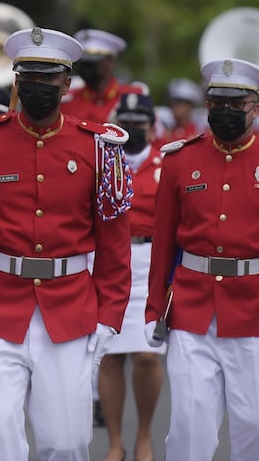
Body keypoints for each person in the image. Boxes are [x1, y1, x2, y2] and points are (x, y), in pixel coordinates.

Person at [0, 27, 132, 461]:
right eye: (29, 76)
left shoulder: (98, 148)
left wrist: (110, 316)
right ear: (16, 80)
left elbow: (114, 245)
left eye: (49, 78)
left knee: (65, 443)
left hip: (70, 309)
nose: (38, 86)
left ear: (67, 84)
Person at [145, 57, 259, 461]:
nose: (224, 112)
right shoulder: (179, 160)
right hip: (192, 310)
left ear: (255, 109)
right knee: (188, 430)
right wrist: (157, 307)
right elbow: (163, 242)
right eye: (216, 103)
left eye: (235, 104)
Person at [98, 91, 165, 461]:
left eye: (140, 124)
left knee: (146, 357)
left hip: (150, 261)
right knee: (109, 357)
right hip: (111, 259)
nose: (133, 130)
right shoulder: (105, 160)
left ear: (152, 127)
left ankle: (143, 435)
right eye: (127, 124)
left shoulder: (165, 162)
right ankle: (114, 442)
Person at [63, 28, 144, 124]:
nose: (86, 67)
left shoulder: (134, 98)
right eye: (84, 62)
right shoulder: (66, 101)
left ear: (111, 61)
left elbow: (156, 137)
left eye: (93, 62)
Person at [163, 77, 204, 142]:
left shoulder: (199, 133)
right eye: (173, 103)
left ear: (190, 106)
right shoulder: (166, 133)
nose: (174, 107)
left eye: (179, 103)